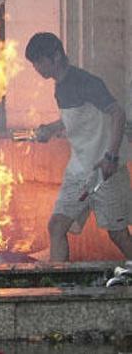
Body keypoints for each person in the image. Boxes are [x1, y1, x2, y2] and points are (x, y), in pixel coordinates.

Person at [25, 32, 132, 262]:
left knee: (118, 234)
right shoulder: (59, 88)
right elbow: (76, 118)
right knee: (56, 226)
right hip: (79, 171)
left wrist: (111, 157)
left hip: (106, 170)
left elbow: (117, 113)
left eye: (39, 61)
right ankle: (57, 287)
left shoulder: (87, 82)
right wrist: (50, 129)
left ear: (55, 56)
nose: (37, 68)